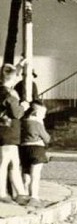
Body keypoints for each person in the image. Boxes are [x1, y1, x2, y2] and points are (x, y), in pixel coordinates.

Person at [0, 61, 28, 204]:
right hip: (8, 132)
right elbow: (16, 113)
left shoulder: (3, 90)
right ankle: (2, 193)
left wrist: (20, 64)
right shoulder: (9, 94)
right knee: (5, 163)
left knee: (13, 163)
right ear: (12, 78)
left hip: (7, 132)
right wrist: (23, 106)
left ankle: (20, 193)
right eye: (16, 76)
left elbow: (10, 73)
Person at [20, 101, 50, 203]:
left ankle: (24, 194)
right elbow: (47, 138)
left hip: (24, 149)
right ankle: (34, 196)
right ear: (37, 113)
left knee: (25, 174)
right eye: (43, 114)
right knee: (35, 175)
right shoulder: (37, 123)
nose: (44, 116)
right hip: (37, 149)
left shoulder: (23, 121)